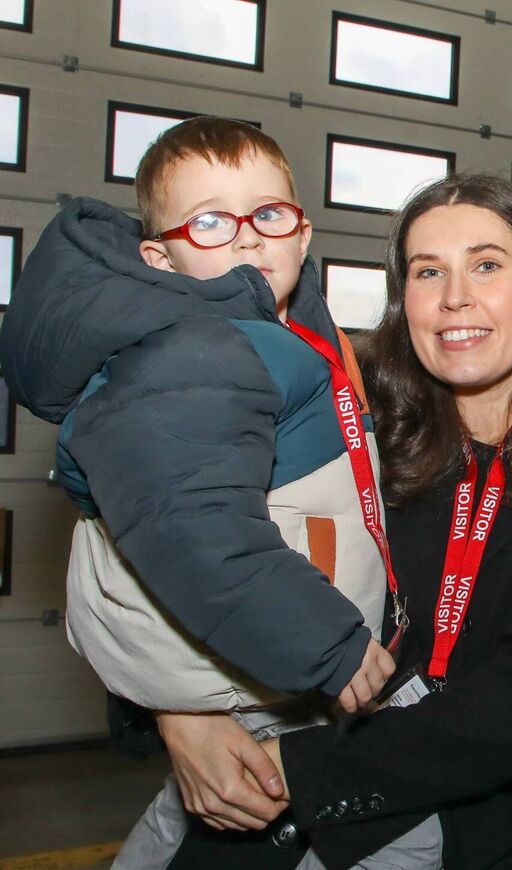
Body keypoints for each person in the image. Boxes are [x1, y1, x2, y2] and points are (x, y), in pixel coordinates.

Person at [152, 174, 512, 870]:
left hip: (506, 838)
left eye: (486, 265)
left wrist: (297, 769)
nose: (456, 297)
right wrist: (181, 713)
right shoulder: (349, 437)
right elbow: (192, 558)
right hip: (281, 827)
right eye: (429, 271)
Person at [0, 117, 396, 865]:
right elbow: (195, 531)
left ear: (303, 235)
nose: (249, 238)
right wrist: (329, 644)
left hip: (276, 675)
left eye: (269, 214)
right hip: (275, 667)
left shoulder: (293, 333)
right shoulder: (198, 350)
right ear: (161, 256)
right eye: (212, 220)